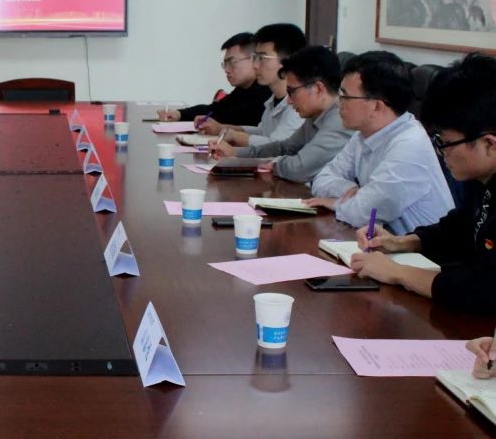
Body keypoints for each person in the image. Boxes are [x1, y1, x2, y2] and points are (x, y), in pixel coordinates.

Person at [351, 53, 496, 313]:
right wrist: (403, 242)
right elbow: (460, 226)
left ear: (489, 144)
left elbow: (486, 289)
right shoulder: (483, 177)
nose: (441, 152)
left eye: (445, 142)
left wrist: (399, 273)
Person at [308, 51, 453, 232]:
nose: (338, 103)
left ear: (376, 106)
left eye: (345, 97)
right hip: (377, 239)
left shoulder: (410, 143)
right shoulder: (363, 135)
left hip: (416, 247)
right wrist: (353, 190)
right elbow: (322, 179)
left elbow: (366, 212)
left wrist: (337, 203)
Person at [211, 46, 354, 183]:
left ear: (318, 89)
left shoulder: (340, 120)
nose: (289, 101)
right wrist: (236, 153)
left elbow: (299, 168)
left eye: (292, 92)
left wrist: (272, 164)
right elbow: (284, 148)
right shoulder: (316, 115)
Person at [198, 23, 306, 145]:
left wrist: (236, 137)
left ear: (288, 60)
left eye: (262, 58)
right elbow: (261, 132)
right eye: (255, 58)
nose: (255, 65)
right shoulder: (273, 100)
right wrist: (221, 129)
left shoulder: (299, 105)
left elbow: (276, 146)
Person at [157, 32, 270, 127]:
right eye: (225, 64)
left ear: (253, 59)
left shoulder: (265, 92)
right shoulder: (242, 89)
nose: (226, 70)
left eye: (232, 62)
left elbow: (233, 119)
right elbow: (213, 110)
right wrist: (179, 114)